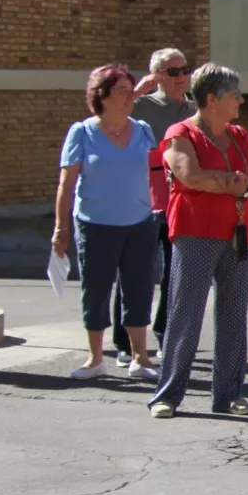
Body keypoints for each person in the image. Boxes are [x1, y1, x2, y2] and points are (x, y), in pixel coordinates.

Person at [149, 63, 248, 419]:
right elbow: (189, 176)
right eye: (234, 94)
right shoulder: (181, 133)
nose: (239, 100)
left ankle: (229, 394)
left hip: (238, 233)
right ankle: (168, 395)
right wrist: (234, 181)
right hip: (194, 232)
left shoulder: (239, 134)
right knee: (185, 313)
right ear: (212, 99)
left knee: (234, 316)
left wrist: (231, 182)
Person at [53, 65, 163, 381]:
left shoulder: (142, 129)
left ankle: (141, 358)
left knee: (139, 289)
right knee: (97, 289)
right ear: (101, 96)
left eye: (132, 91)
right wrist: (61, 228)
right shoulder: (82, 132)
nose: (131, 97)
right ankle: (95, 359)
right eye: (123, 92)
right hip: (95, 224)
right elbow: (66, 184)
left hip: (140, 222)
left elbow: (155, 177)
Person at [109, 48, 194, 366]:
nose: (182, 77)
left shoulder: (193, 108)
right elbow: (109, 116)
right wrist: (140, 89)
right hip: (140, 201)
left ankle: (165, 333)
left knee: (177, 272)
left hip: (180, 202)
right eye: (173, 72)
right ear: (157, 75)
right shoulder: (139, 106)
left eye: (185, 70)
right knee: (134, 273)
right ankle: (124, 343)